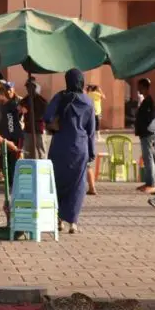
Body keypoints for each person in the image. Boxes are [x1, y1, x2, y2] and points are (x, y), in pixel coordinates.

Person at [43, 69, 96, 234]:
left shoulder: (60, 97)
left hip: (59, 146)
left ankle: (58, 219)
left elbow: (47, 116)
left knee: (57, 182)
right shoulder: (88, 102)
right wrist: (92, 152)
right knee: (77, 185)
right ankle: (73, 221)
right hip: (79, 147)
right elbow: (91, 130)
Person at [133, 78, 155, 193]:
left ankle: (151, 183)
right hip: (144, 133)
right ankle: (148, 182)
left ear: (145, 87)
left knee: (149, 158)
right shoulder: (146, 100)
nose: (138, 89)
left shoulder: (149, 101)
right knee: (146, 158)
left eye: (140, 87)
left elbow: (149, 118)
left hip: (147, 134)